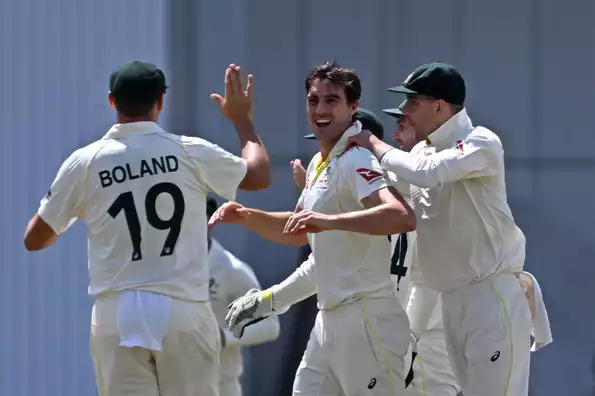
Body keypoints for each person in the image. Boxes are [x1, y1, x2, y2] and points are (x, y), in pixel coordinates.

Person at [23, 60, 271, 396]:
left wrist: (78, 209)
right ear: (160, 101)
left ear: (112, 101)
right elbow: (259, 175)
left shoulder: (85, 162)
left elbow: (35, 239)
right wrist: (242, 120)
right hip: (183, 307)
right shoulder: (187, 150)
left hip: (117, 313)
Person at [211, 61, 416, 395]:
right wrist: (247, 215)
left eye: (331, 100)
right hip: (329, 320)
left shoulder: (356, 159)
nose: (320, 109)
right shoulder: (321, 163)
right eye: (313, 100)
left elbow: (400, 215)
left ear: (353, 108)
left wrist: (326, 221)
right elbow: (299, 233)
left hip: (367, 321)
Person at [348, 61, 552, 396]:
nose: (404, 111)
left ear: (440, 106)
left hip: (491, 298)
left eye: (413, 102)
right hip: (452, 304)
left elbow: (426, 172)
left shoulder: (480, 142)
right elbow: (384, 190)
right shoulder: (420, 155)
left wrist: (372, 142)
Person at [293, 104, 462, 395]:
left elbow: (432, 278)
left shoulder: (415, 194)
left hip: (427, 338)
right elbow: (322, 266)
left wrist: (412, 334)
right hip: (394, 331)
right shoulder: (380, 193)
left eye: (404, 125)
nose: (396, 136)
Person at [206, 197, 280, 396]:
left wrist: (222, 337)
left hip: (220, 386)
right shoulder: (166, 269)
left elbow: (270, 325)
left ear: (209, 220)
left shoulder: (232, 270)